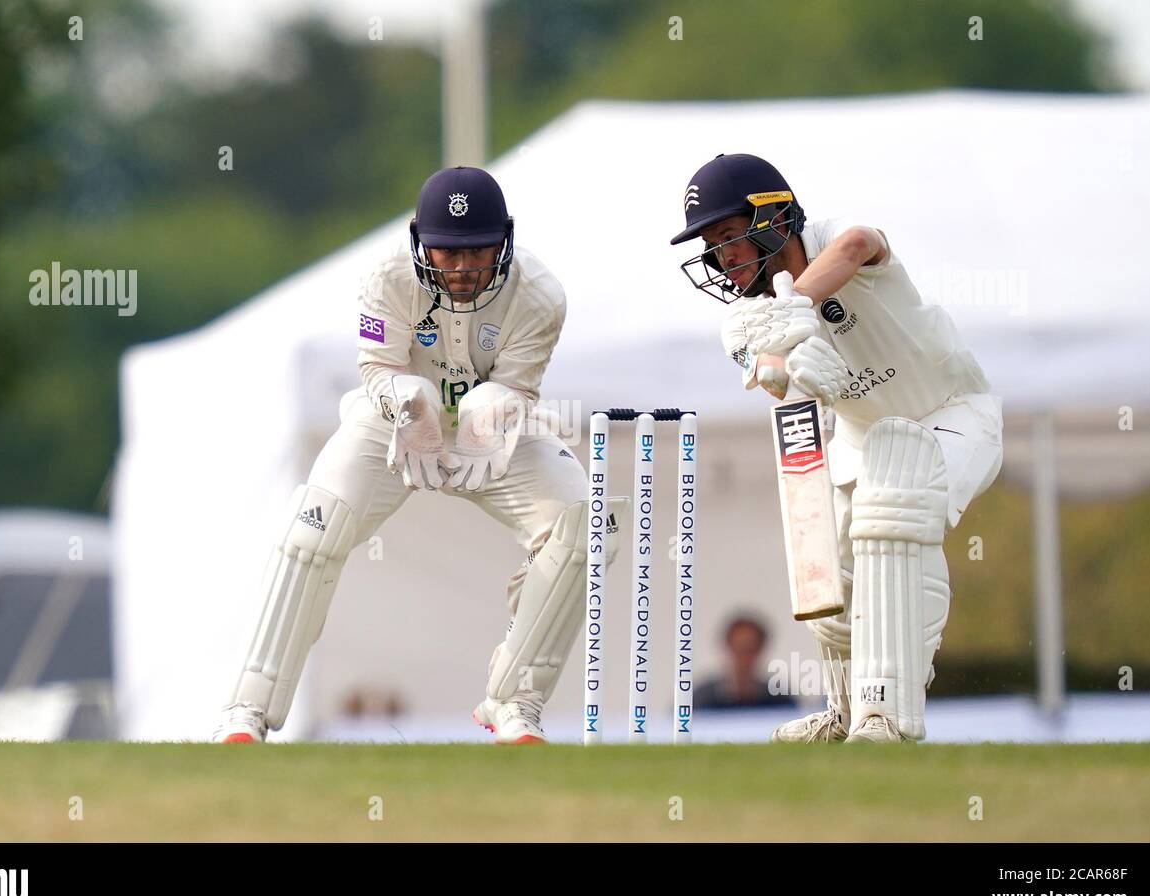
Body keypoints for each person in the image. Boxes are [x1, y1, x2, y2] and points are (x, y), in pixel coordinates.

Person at [213, 166, 625, 745]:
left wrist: (494, 407)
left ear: (504, 240)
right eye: (446, 252)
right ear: (418, 240)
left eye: (476, 252)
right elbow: (377, 365)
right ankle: (246, 711)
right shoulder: (385, 278)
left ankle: (514, 703)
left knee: (587, 528)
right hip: (394, 423)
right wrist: (404, 400)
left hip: (496, 431)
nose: (460, 270)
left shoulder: (540, 294)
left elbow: (520, 384)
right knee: (313, 529)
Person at [670, 153, 1003, 743]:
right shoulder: (749, 314)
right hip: (860, 436)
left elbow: (857, 245)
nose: (724, 257)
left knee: (895, 511)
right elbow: (773, 372)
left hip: (950, 414)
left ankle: (890, 715)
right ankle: (845, 712)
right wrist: (781, 357)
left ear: (771, 220)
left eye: (729, 237)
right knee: (832, 569)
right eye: (713, 245)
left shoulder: (833, 239)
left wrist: (790, 310)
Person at [694, 613, 797, 709]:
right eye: (738, 649)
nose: (743, 658)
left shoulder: (781, 701)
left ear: (760, 650)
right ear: (726, 648)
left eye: (749, 650)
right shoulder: (701, 700)